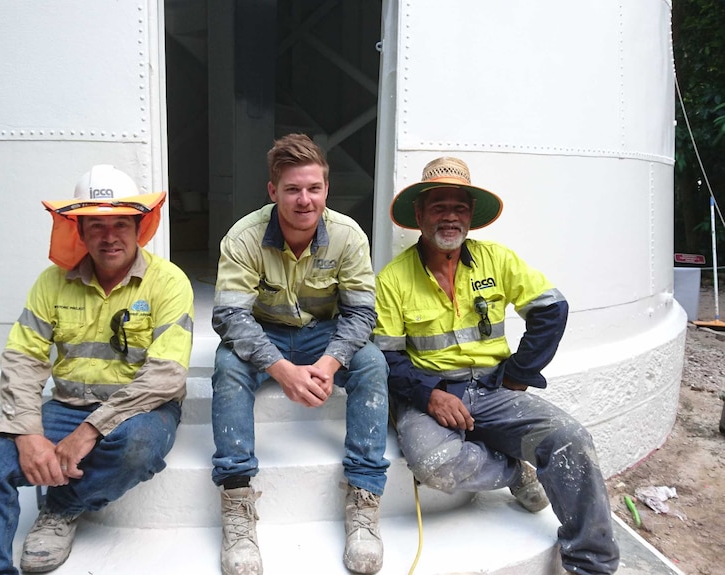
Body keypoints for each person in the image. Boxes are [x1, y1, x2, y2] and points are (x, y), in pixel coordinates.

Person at [373, 157, 620, 575]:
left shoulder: (498, 260)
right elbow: (388, 357)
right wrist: (428, 395)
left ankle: (591, 565)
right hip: (428, 394)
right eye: (438, 206)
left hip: (493, 391)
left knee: (570, 439)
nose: (450, 217)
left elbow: (551, 308)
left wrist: (521, 373)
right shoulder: (393, 279)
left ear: (470, 216)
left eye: (459, 208)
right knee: (433, 464)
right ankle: (515, 472)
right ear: (419, 215)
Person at [0, 165, 194, 574]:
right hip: (65, 406)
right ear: (79, 232)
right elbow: (23, 359)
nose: (109, 236)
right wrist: (27, 433)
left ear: (139, 227)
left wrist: (91, 430)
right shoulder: (51, 282)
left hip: (140, 411)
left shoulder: (168, 282)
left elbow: (166, 376)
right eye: (96, 226)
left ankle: (61, 508)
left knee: (138, 447)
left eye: (120, 224)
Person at [210, 134, 390, 575]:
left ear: (326, 190)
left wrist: (328, 364)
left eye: (314, 188)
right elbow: (230, 317)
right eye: (292, 189)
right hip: (263, 331)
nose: (304, 200)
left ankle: (364, 499)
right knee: (228, 364)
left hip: (322, 334)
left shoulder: (347, 236)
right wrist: (282, 370)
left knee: (372, 362)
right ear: (273, 192)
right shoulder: (244, 237)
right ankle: (236, 499)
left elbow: (362, 313)